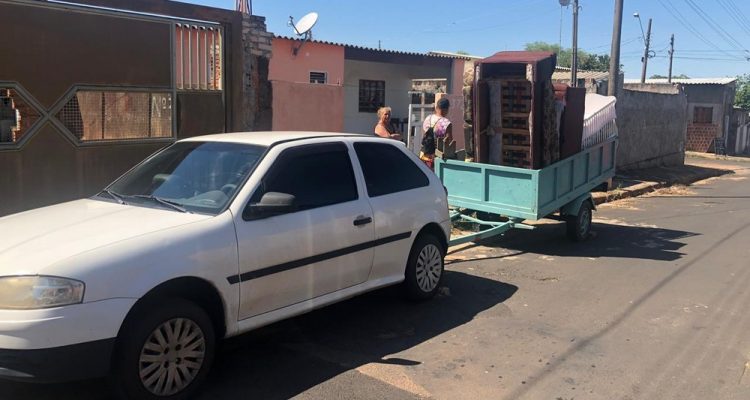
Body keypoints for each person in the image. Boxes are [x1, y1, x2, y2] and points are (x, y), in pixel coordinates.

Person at [420, 97, 453, 170]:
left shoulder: (428, 118)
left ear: (437, 107)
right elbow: (449, 142)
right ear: (446, 109)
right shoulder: (446, 123)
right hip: (437, 159)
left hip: (424, 155)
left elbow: (424, 135)